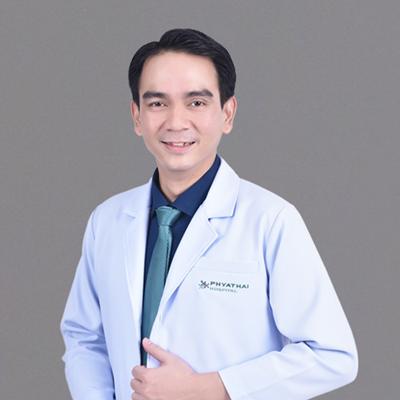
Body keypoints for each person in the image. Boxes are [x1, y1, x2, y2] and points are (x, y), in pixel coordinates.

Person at [60, 28, 358, 400]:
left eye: (197, 103)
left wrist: (206, 388)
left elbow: (332, 356)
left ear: (227, 114)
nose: (176, 122)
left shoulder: (270, 220)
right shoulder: (107, 220)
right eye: (157, 103)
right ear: (137, 116)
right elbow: (85, 338)